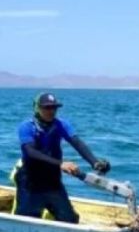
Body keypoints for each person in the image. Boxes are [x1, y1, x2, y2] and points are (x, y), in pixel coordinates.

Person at [13, 92, 111, 223]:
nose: (51, 111)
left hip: (52, 181)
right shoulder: (27, 127)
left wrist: (94, 162)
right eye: (47, 108)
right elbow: (30, 152)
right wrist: (60, 164)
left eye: (54, 107)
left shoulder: (61, 125)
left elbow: (76, 142)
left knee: (70, 220)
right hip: (30, 182)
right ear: (37, 108)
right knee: (27, 222)